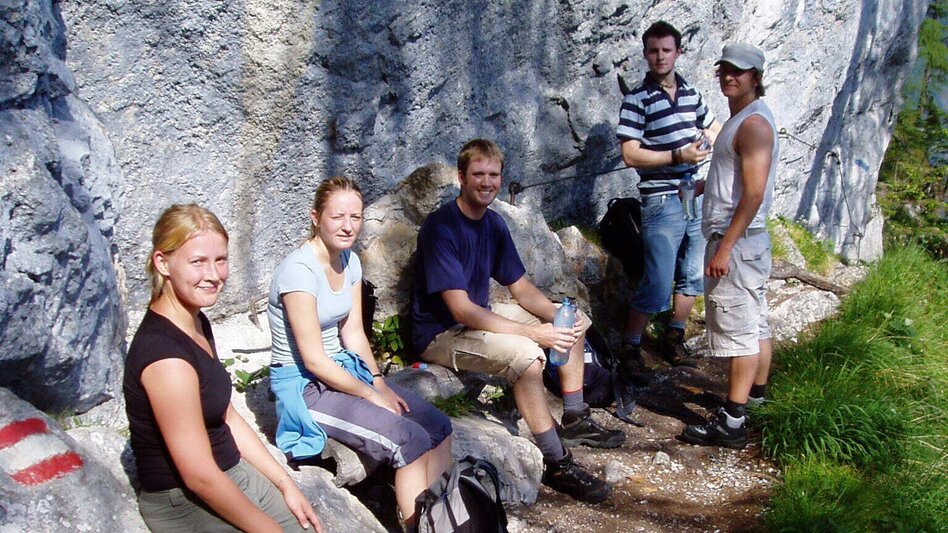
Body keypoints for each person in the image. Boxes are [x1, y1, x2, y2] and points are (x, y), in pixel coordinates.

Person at [411, 139, 624, 504]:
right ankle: (557, 462)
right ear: (461, 177)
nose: (487, 182)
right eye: (478, 174)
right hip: (440, 332)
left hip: (474, 318)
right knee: (528, 357)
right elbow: (461, 310)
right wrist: (532, 332)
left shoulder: (493, 223)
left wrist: (558, 316)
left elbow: (522, 289)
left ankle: (573, 417)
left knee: (567, 320)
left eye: (494, 174)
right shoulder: (441, 227)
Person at [267, 177, 453, 528]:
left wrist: (379, 384)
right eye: (338, 217)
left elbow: (353, 333)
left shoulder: (349, 261)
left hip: (343, 369)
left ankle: (442, 520)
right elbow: (313, 360)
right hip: (306, 387)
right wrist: (368, 393)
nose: (348, 225)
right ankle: (416, 524)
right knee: (409, 439)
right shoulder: (298, 272)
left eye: (355, 216)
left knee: (437, 425)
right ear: (316, 217)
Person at [125, 204, 322, 533]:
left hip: (231, 473)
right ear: (163, 263)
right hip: (185, 502)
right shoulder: (165, 357)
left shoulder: (196, 321)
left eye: (220, 260)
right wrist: (266, 529)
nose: (214, 275)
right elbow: (198, 474)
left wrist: (284, 482)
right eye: (198, 262)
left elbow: (226, 416)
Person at [680, 43, 779, 449]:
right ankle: (755, 400)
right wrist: (707, 185)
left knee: (739, 332)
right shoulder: (744, 118)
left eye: (738, 71)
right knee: (756, 323)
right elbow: (740, 179)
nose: (728, 77)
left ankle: (732, 423)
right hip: (748, 244)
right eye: (724, 70)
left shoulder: (753, 125)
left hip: (735, 244)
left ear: (756, 77)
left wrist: (723, 249)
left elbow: (753, 195)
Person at [616, 21, 722, 374]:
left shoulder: (691, 93)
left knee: (692, 272)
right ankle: (629, 346)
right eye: (653, 50)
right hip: (660, 199)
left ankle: (673, 336)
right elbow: (630, 154)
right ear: (645, 54)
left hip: (692, 194)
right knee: (659, 279)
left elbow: (714, 126)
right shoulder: (636, 99)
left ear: (678, 52)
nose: (660, 56)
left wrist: (703, 145)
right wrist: (679, 156)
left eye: (666, 49)